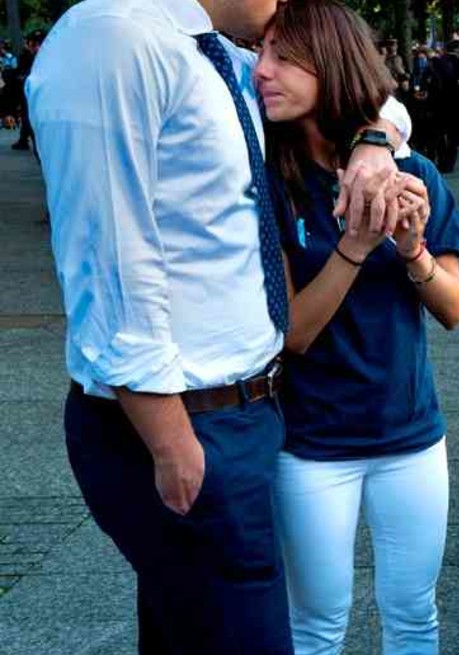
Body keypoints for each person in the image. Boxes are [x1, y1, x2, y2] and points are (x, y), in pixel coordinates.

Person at [26, 0, 407, 651]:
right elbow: (110, 254)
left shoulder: (221, 57)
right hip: (180, 419)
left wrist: (373, 142)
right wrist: (173, 442)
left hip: (243, 414)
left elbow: (369, 95)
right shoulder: (114, 35)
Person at [254, 2, 459, 652]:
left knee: (413, 615)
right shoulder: (271, 183)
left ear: (331, 65)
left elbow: (455, 308)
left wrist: (410, 249)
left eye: (282, 58)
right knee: (316, 625)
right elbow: (292, 333)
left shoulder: (417, 174)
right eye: (260, 53)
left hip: (412, 436)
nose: (262, 71)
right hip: (314, 445)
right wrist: (354, 245)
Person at [10, 31, 40, 151]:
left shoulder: (27, 55)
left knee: (27, 114)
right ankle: (24, 139)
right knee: (26, 114)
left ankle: (28, 141)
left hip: (28, 89)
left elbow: (22, 72)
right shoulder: (37, 54)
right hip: (31, 90)